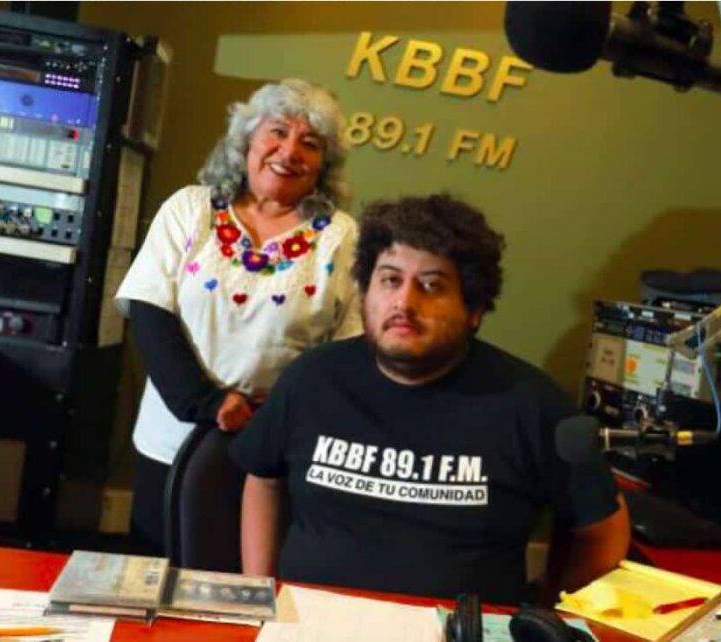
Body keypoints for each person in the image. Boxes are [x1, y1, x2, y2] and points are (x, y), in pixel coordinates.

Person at [231, 194, 630, 605]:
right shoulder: (312, 379)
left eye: (431, 285)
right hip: (309, 624)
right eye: (389, 280)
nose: (404, 302)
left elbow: (603, 529)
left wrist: (554, 619)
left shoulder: (531, 404)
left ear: (473, 308)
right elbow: (263, 479)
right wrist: (259, 598)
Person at [115, 79, 361, 555]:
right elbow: (149, 311)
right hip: (171, 436)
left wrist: (281, 412)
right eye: (277, 132)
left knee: (243, 585)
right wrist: (206, 402)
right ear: (246, 141)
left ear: (323, 166)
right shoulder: (190, 208)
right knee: (154, 576)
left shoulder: (342, 236)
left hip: (274, 447)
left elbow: (347, 350)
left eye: (310, 144)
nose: (289, 151)